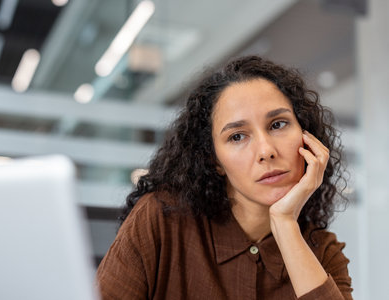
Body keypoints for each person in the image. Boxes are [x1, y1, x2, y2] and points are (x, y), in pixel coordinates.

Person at [97, 56, 352, 299]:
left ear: (307, 137)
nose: (266, 151)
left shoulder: (323, 254)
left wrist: (285, 223)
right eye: (237, 136)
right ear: (214, 160)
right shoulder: (161, 220)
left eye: (277, 124)